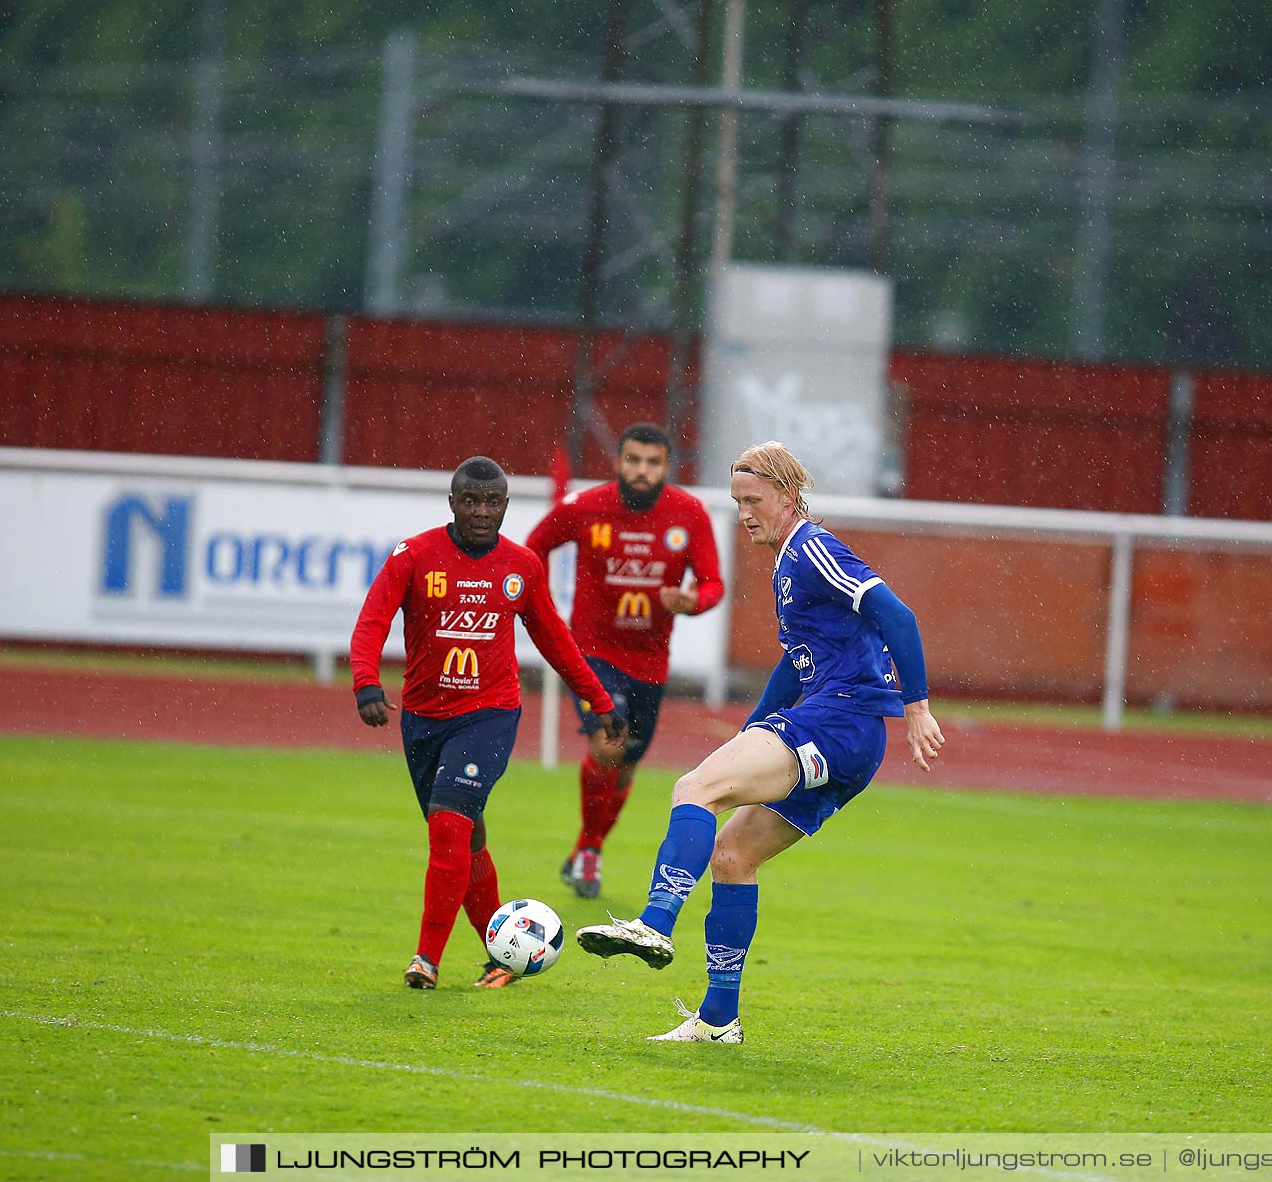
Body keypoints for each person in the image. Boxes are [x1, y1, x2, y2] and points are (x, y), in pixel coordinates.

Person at [575, 441, 944, 1043]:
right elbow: (795, 664)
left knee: (696, 787)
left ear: (788, 493)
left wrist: (918, 706)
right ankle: (719, 1021)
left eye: (754, 499)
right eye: (736, 501)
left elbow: (897, 615)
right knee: (733, 857)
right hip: (849, 736)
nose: (744, 512)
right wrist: (757, 726)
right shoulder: (786, 561)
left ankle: (654, 923)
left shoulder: (813, 548)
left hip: (841, 721)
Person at [350, 456, 625, 990]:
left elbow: (555, 642)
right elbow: (371, 622)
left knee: (449, 821)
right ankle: (503, 957)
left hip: (491, 714)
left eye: (492, 502)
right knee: (466, 837)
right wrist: (366, 681)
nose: (481, 511)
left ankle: (426, 959)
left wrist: (597, 700)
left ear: (504, 505)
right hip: (425, 718)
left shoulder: (521, 566)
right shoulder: (414, 556)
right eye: (470, 501)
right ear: (452, 502)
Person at [525, 423, 725, 899]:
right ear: (617, 462)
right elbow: (532, 551)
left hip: (651, 663)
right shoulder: (585, 507)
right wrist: (544, 609)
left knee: (627, 765)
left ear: (666, 467)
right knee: (608, 742)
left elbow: (714, 583)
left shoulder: (689, 514)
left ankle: (584, 849)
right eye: (633, 460)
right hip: (590, 652)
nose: (642, 471)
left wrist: (691, 601)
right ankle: (591, 855)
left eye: (652, 462)